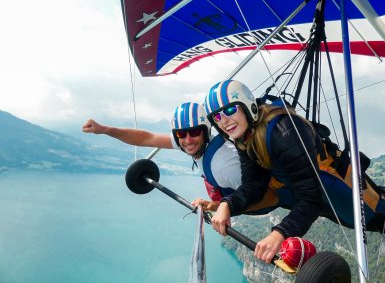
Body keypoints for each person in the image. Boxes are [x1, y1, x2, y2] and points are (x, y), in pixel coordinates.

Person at [203, 79, 385, 264]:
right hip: (314, 195)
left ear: (247, 105)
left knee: (378, 220)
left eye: (230, 110)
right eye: (217, 117)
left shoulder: (284, 133)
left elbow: (311, 200)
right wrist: (227, 204)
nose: (224, 121)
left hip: (337, 187)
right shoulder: (245, 137)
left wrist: (280, 233)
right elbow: (254, 184)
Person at [82, 102, 293, 213]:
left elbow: (270, 196)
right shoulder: (191, 142)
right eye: (182, 134)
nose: (188, 140)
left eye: (193, 132)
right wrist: (105, 129)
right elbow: (147, 138)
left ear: (204, 131)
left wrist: (220, 207)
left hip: (285, 195)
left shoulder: (223, 164)